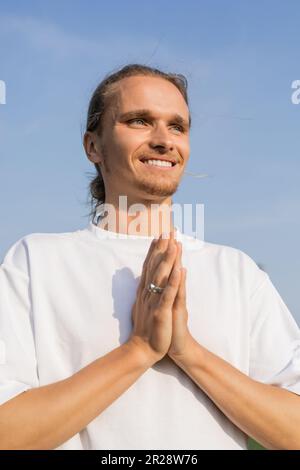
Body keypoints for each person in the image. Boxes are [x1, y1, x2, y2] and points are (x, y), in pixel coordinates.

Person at [0, 64, 300, 451]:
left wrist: (188, 352)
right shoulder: (35, 261)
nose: (164, 140)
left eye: (177, 126)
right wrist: (139, 349)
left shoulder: (237, 272)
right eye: (139, 121)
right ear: (93, 146)